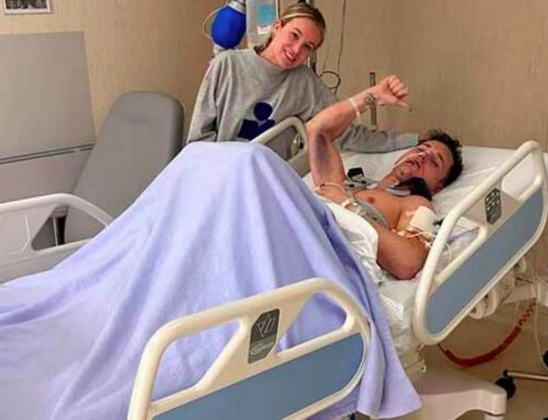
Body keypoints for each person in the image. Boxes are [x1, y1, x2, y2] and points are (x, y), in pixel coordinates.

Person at [187, 2, 419, 154]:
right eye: (294, 35)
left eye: (308, 46)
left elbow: (345, 133)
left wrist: (413, 141)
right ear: (277, 27)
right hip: (220, 174)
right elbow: (199, 139)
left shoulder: (305, 84)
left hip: (267, 182)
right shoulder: (227, 65)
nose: (297, 50)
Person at [307, 75, 463, 280]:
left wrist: (350, 208)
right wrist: (372, 96)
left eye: (434, 161)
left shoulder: (416, 204)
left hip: (321, 258)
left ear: (437, 188)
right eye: (421, 149)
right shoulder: (349, 186)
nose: (423, 156)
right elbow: (317, 129)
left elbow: (407, 262)